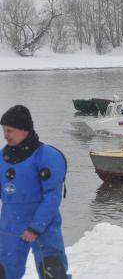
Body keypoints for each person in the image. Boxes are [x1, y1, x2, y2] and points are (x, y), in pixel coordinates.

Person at [0, 105, 70, 279]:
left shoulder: (47, 156)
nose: (5, 135)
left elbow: (52, 198)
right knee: (4, 272)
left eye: (10, 130)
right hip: (10, 226)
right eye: (3, 130)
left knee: (52, 270)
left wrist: (35, 228)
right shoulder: (2, 157)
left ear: (24, 130)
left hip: (43, 226)